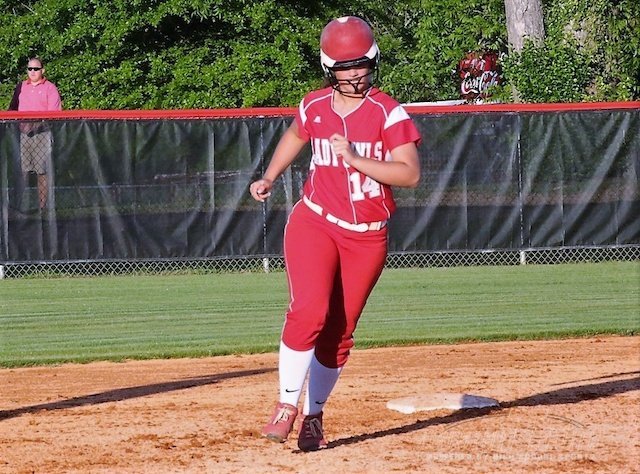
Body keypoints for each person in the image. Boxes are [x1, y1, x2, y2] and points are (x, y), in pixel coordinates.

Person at [249, 16, 422, 452]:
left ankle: (314, 415)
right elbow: (296, 133)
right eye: (345, 67)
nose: (355, 74)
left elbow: (409, 174)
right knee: (309, 311)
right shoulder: (314, 105)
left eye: (361, 64)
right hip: (316, 220)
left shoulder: (388, 112)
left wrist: (357, 159)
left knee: (340, 331)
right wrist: (270, 175)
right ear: (330, 68)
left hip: (367, 235)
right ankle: (286, 404)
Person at [8, 57, 62, 211]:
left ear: (42, 70)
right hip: (23, 135)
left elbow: (54, 114)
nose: (32, 72)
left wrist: (34, 125)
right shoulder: (21, 87)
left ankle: (42, 209)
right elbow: (12, 109)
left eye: (36, 69)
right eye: (30, 69)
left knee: (42, 171)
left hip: (42, 135)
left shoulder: (50, 88)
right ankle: (16, 206)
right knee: (22, 171)